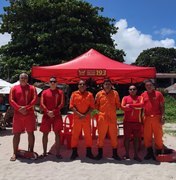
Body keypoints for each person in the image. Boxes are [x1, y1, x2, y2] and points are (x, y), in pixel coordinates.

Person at [9, 73, 37, 161]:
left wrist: (26, 107)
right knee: (16, 134)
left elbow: (34, 99)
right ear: (19, 79)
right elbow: (11, 100)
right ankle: (14, 152)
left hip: (29, 113)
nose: (23, 79)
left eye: (25, 78)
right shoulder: (14, 88)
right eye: (22, 78)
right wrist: (19, 108)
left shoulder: (32, 88)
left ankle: (31, 151)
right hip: (18, 114)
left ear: (27, 79)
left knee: (30, 133)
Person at [95, 79, 121, 160]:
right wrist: (100, 114)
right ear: (103, 85)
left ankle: (115, 154)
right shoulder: (99, 94)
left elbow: (118, 105)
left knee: (114, 136)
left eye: (109, 84)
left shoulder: (115, 93)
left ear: (111, 85)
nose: (107, 85)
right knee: (101, 136)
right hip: (102, 118)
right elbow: (96, 106)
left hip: (112, 118)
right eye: (106, 84)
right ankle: (99, 154)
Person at [69, 80, 95, 160]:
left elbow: (92, 107)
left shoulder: (90, 95)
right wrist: (79, 114)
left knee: (88, 136)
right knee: (75, 135)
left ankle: (89, 152)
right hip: (77, 119)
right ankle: (74, 152)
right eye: (80, 84)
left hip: (86, 119)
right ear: (78, 86)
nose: (82, 85)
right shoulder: (74, 94)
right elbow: (71, 106)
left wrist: (85, 114)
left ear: (86, 86)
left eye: (84, 84)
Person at [40, 77, 64, 159]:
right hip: (46, 115)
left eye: (54, 81)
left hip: (56, 115)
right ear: (49, 83)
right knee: (45, 133)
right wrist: (47, 111)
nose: (53, 83)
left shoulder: (60, 92)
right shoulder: (44, 92)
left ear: (56, 83)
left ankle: (58, 153)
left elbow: (61, 104)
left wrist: (53, 112)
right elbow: (42, 103)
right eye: (51, 81)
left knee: (57, 134)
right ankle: (44, 152)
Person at [141, 79, 165, 160]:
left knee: (158, 136)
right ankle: (149, 153)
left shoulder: (159, 94)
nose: (149, 87)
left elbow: (162, 106)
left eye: (150, 85)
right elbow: (141, 107)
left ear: (153, 86)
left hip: (156, 117)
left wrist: (163, 116)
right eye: (147, 86)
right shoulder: (143, 95)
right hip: (147, 118)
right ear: (145, 87)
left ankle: (158, 152)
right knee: (147, 136)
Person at [121, 85, 143, 162]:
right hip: (127, 122)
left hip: (137, 122)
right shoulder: (125, 98)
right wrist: (135, 107)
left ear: (136, 90)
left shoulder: (140, 97)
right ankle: (127, 154)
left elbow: (141, 105)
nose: (132, 90)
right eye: (131, 89)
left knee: (136, 139)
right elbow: (123, 107)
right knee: (126, 138)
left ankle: (136, 155)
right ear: (128, 91)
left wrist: (130, 105)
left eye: (134, 89)